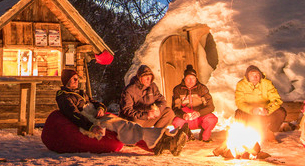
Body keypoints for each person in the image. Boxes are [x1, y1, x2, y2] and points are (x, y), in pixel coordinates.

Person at [55, 68, 186, 155]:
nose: (77, 81)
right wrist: (91, 126)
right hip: (91, 119)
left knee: (130, 127)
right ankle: (164, 143)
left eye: (77, 78)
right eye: (74, 79)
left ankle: (165, 140)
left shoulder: (81, 93)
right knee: (128, 127)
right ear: (66, 81)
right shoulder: (65, 96)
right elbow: (73, 114)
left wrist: (101, 108)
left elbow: (97, 103)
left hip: (97, 115)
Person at [233, 65, 285, 140]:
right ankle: (244, 134)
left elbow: (276, 100)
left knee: (280, 112)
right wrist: (252, 110)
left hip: (264, 112)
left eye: (257, 75)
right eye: (252, 75)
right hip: (250, 112)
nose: (255, 77)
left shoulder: (267, 83)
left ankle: (269, 132)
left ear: (260, 75)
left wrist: (267, 110)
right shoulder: (241, 85)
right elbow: (239, 102)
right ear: (247, 76)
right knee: (239, 113)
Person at [170, 65, 218, 142]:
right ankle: (187, 135)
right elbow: (175, 108)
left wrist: (199, 113)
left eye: (193, 78)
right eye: (188, 78)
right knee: (176, 122)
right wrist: (183, 115)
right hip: (187, 119)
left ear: (196, 79)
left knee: (212, 119)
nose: (191, 81)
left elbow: (211, 107)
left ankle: (205, 136)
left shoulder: (202, 89)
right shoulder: (178, 90)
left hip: (200, 117)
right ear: (184, 79)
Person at [120, 64, 175, 128]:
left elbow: (162, 100)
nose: (148, 79)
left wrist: (158, 109)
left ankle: (157, 133)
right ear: (140, 77)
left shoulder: (153, 86)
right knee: (134, 121)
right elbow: (127, 110)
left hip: (150, 117)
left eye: (150, 77)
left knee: (169, 112)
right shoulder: (130, 90)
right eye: (146, 77)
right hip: (138, 119)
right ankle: (139, 135)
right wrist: (146, 115)